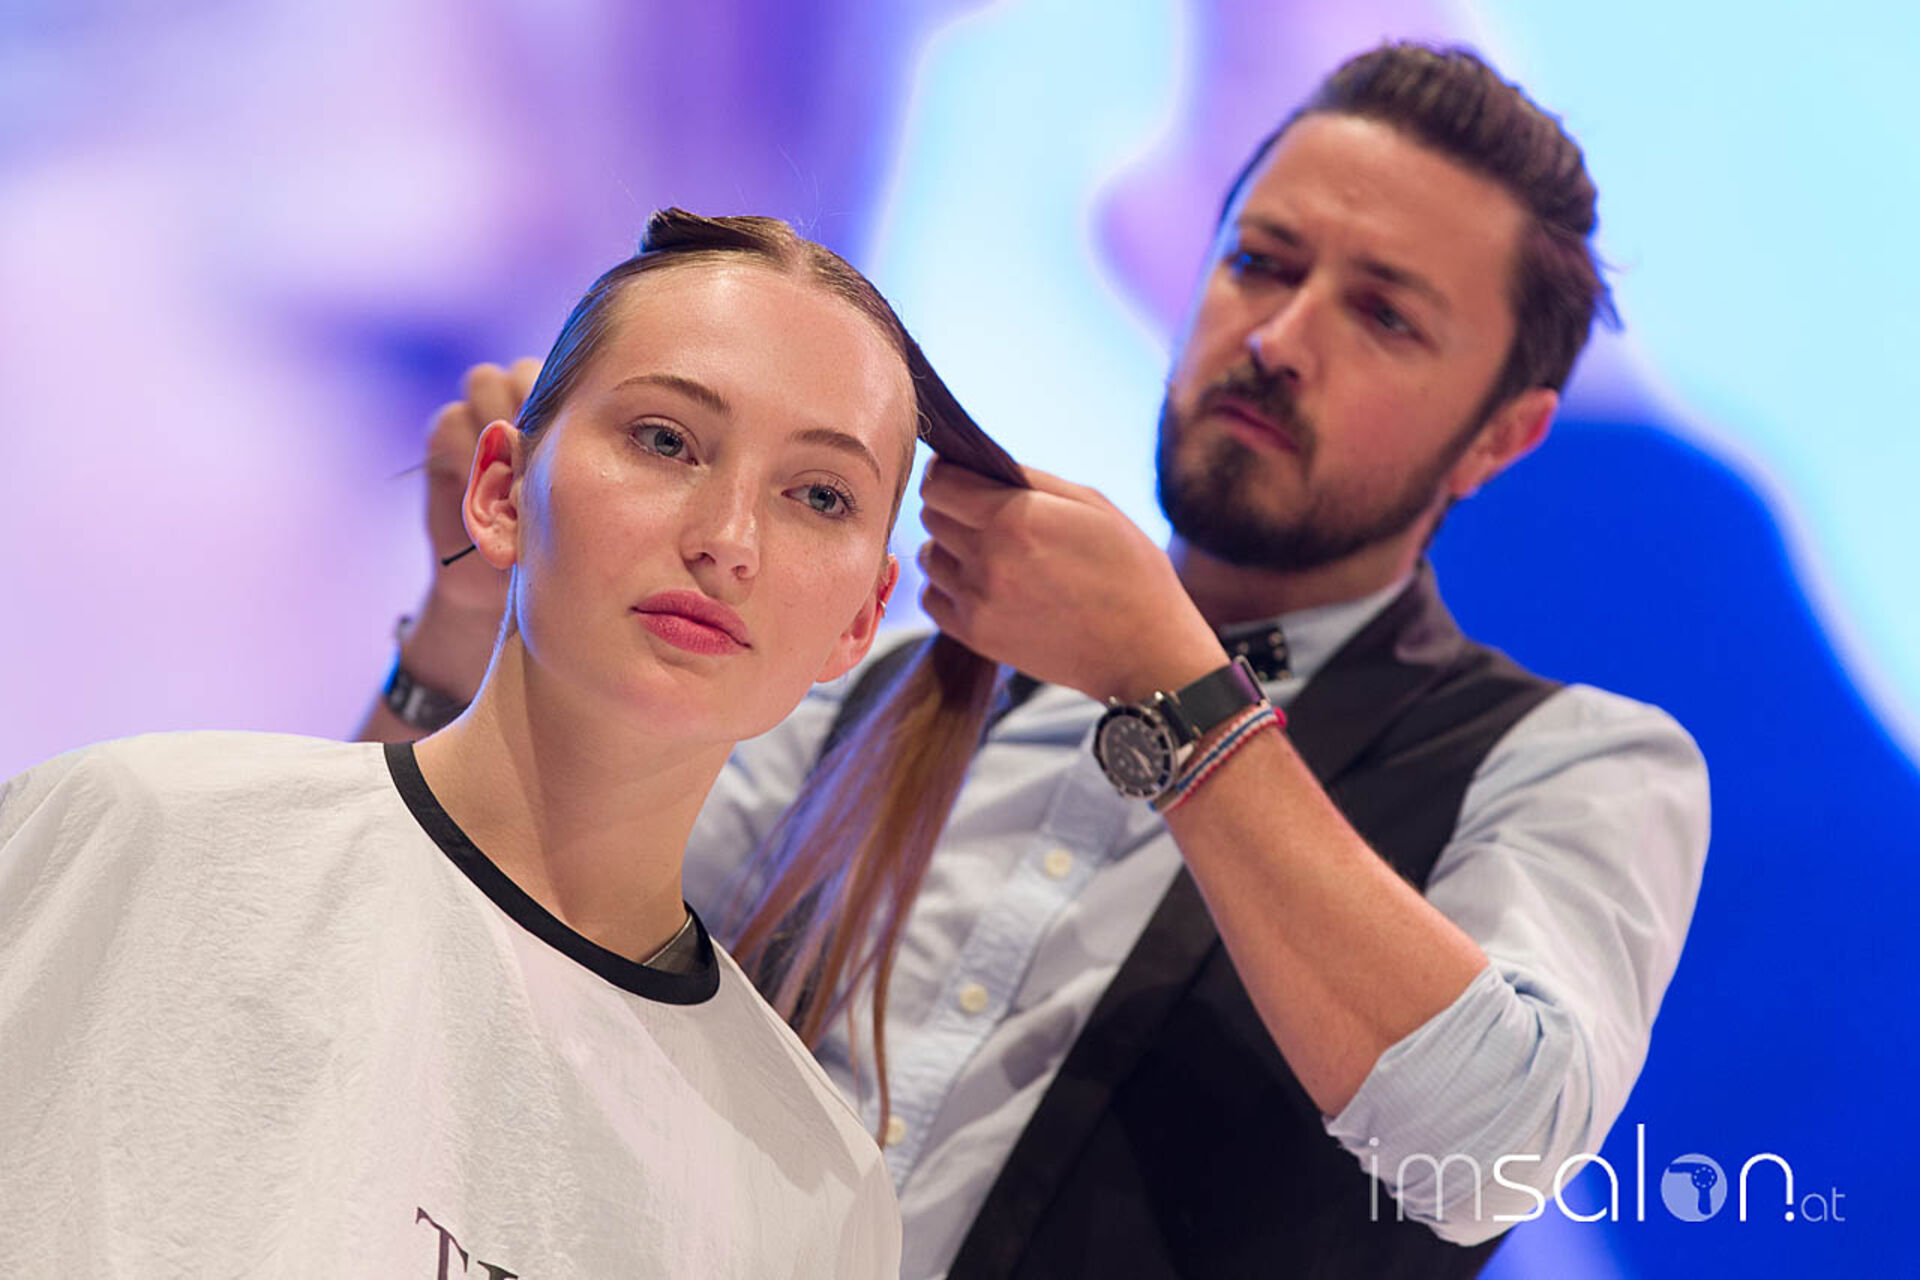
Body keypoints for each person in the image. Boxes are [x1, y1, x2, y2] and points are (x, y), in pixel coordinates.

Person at [366, 45, 1709, 1278]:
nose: (1280, 338)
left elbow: (1491, 1152)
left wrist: (1175, 693)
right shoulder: (876, 688)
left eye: (1385, 317)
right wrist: (471, 625)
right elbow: (462, 957)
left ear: (1504, 436)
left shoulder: (1579, 764)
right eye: (1261, 260)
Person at [0, 208, 1016, 1277]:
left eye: (818, 495)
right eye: (665, 440)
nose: (729, 539)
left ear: (862, 618)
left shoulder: (815, 1192)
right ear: (499, 494)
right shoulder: (147, 839)